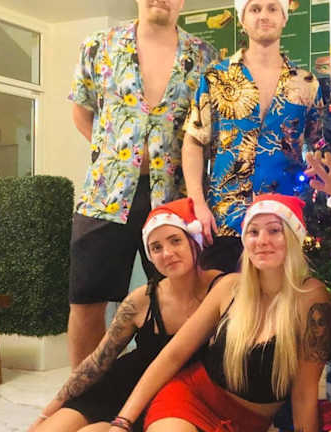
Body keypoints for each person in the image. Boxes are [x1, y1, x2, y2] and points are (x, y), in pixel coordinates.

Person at [67, 0, 218, 367]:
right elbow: (81, 112)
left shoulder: (205, 57)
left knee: (183, 297)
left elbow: (208, 130)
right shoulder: (98, 46)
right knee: (87, 299)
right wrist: (116, 159)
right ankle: (83, 393)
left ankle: (176, 391)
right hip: (105, 196)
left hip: (174, 199)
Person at [106, 193, 331, 432]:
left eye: (274, 230)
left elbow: (304, 393)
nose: (262, 241)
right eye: (253, 232)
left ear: (293, 237)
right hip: (189, 399)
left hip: (248, 424)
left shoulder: (312, 299)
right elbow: (173, 356)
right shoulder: (230, 287)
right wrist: (123, 422)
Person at [29, 198, 222, 432]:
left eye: (175, 241)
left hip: (174, 400)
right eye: (156, 247)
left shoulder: (222, 288)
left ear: (194, 241)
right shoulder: (141, 300)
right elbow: (97, 362)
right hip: (121, 386)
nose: (167, 253)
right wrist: (47, 412)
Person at [182, 0, 323, 272]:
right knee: (224, 295)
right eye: (255, 9)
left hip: (284, 220)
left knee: (281, 298)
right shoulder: (215, 77)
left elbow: (318, 147)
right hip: (224, 219)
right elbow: (194, 141)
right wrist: (197, 202)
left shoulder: (306, 84)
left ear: (284, 18)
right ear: (242, 20)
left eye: (272, 8)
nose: (264, 16)